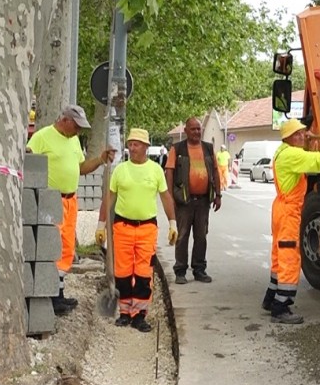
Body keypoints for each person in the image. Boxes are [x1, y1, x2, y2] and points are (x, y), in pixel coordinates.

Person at [27, 104, 116, 315]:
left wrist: (100, 160)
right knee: (51, 245)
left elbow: (81, 168)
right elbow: (29, 161)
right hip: (51, 200)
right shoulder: (42, 137)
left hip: (70, 200)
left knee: (66, 247)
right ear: (65, 120)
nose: (78, 131)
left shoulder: (73, 140)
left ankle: (58, 292)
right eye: (76, 126)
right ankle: (50, 295)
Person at [95, 128, 177, 332]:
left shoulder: (155, 171)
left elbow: (166, 197)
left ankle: (139, 314)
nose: (132, 148)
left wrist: (173, 222)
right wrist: (101, 224)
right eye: (130, 144)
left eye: (136, 144)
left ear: (146, 147)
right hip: (122, 227)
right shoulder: (121, 170)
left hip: (147, 228)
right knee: (123, 272)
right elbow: (109, 197)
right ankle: (124, 312)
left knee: (143, 273)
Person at [262, 119, 320, 324]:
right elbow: (318, 161)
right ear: (288, 137)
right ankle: (281, 307)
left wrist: (307, 142)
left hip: (281, 208)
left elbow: (306, 156)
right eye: (297, 134)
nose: (301, 136)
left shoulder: (283, 151)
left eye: (302, 133)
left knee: (279, 254)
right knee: (289, 256)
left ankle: (271, 297)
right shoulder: (292, 154)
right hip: (288, 211)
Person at [164, 116, 221, 284]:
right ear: (186, 131)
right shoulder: (178, 149)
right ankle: (180, 271)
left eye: (199, 129)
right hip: (183, 201)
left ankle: (199, 270)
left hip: (203, 201)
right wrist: (169, 197)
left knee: (201, 236)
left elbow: (216, 172)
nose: (197, 131)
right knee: (182, 236)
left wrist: (218, 195)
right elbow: (169, 172)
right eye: (193, 129)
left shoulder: (208, 149)